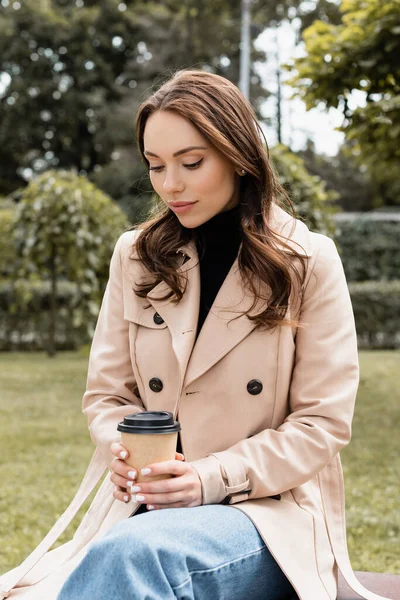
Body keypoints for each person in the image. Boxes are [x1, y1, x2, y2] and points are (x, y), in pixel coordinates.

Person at [0, 69, 389, 600]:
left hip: (264, 514)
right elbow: (109, 396)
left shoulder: (307, 260)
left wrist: (208, 478)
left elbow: (322, 423)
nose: (170, 185)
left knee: (137, 556)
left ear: (238, 154)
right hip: (145, 506)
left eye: (191, 163)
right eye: (156, 166)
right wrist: (126, 451)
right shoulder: (136, 257)